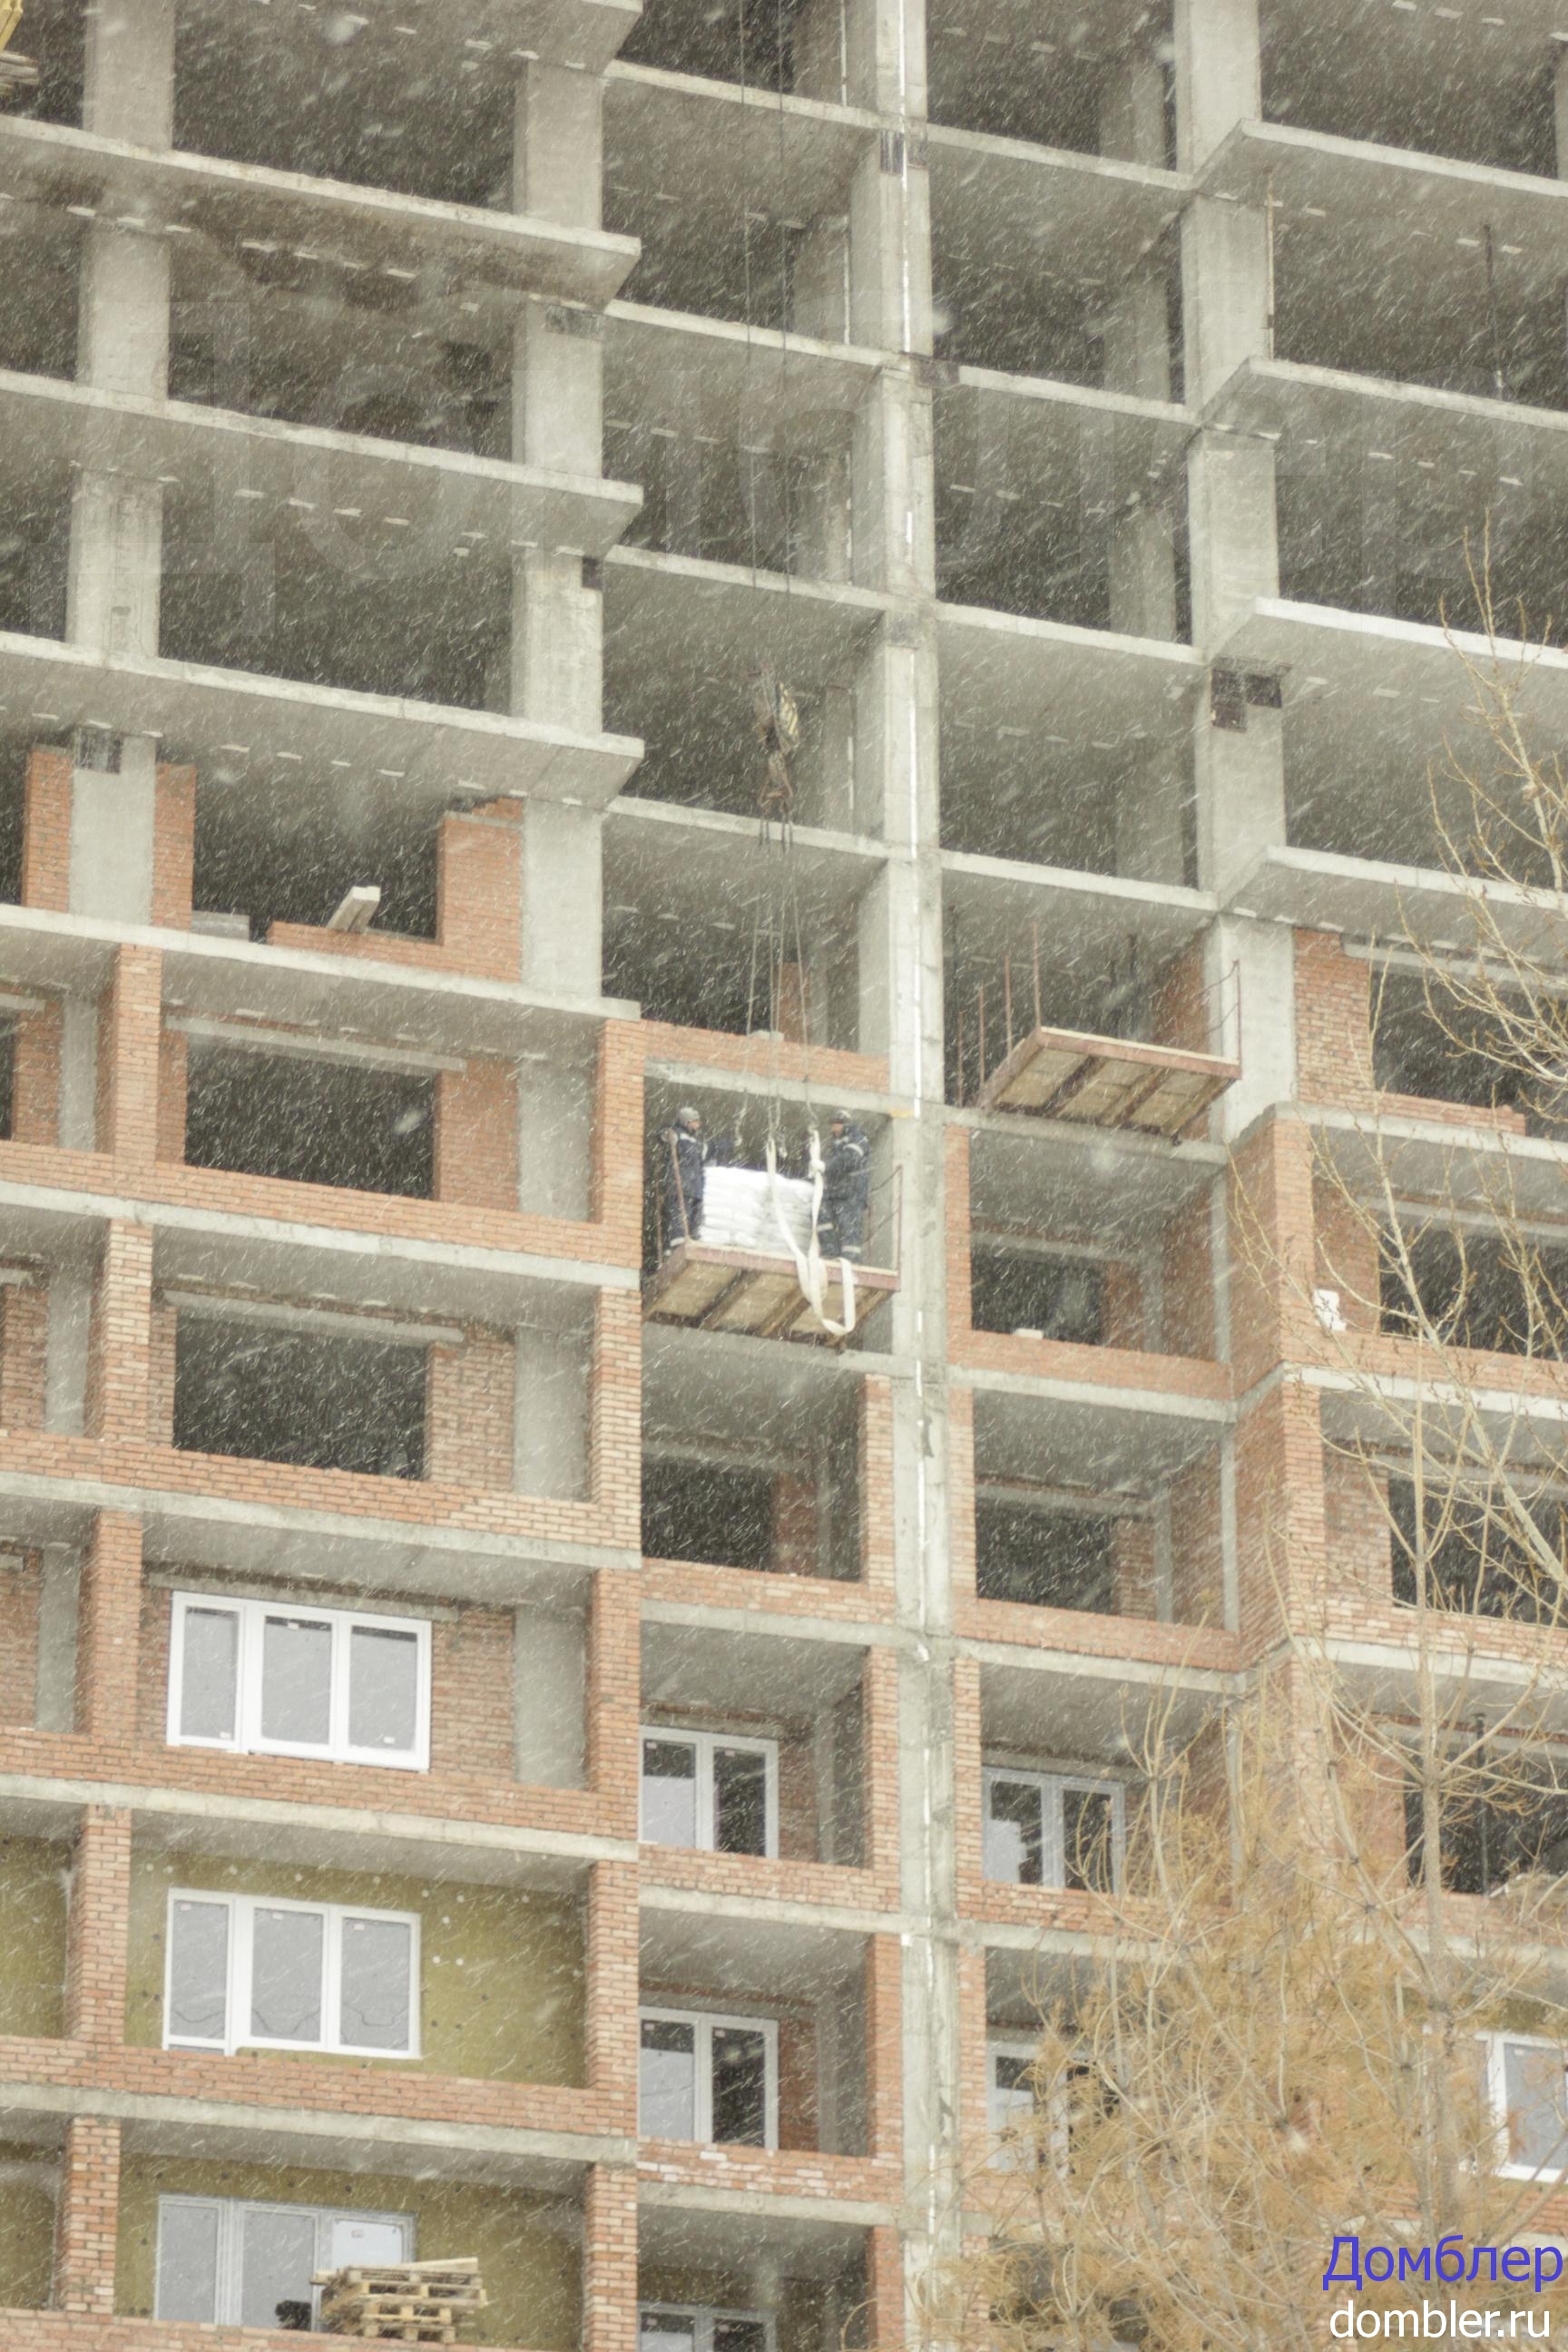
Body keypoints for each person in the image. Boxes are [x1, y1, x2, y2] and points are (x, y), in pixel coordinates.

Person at [817, 1110, 870, 1262]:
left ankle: (851, 1261)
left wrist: (825, 1166)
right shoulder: (838, 1144)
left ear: (843, 1124)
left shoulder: (858, 1138)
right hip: (838, 1193)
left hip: (852, 1193)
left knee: (849, 1228)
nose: (832, 1129)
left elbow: (849, 1159)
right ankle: (830, 1252)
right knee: (822, 1214)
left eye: (835, 1125)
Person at [662, 1105, 706, 1245]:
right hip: (680, 1181)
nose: (698, 1124)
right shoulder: (677, 1133)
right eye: (695, 1121)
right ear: (687, 1121)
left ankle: (693, 1236)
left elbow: (712, 1148)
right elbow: (662, 1134)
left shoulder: (697, 1140)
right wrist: (667, 1135)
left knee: (696, 1212)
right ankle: (678, 1238)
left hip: (695, 1185)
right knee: (680, 1211)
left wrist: (732, 1142)